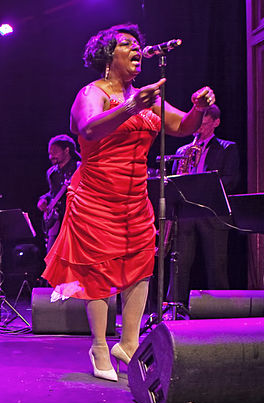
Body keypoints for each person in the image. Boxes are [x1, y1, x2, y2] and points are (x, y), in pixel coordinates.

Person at [42, 23, 215, 382]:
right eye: (127, 45)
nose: (137, 49)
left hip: (135, 199)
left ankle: (130, 343)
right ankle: (100, 346)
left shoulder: (148, 97)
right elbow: (89, 128)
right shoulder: (92, 92)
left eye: (139, 45)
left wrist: (198, 109)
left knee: (140, 267)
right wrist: (133, 106)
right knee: (99, 271)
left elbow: (183, 127)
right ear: (108, 56)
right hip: (96, 196)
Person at [166, 104, 240, 306]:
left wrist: (202, 189)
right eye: (197, 123)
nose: (198, 127)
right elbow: (174, 181)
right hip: (186, 213)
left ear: (216, 123)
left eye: (204, 123)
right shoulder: (182, 150)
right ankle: (175, 306)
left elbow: (231, 179)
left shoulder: (227, 147)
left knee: (216, 263)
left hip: (212, 212)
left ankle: (220, 308)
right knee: (179, 263)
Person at [37, 135, 81, 253]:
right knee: (51, 257)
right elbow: (52, 193)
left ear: (67, 150)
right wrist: (44, 199)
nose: (51, 156)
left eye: (55, 152)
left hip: (75, 219)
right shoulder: (51, 172)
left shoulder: (80, 168)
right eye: (50, 153)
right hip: (56, 220)